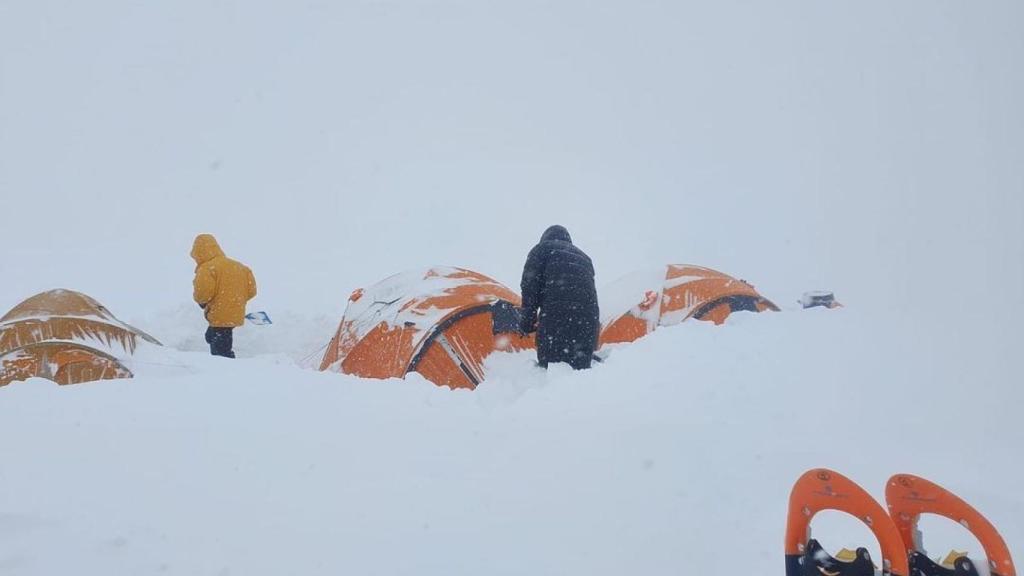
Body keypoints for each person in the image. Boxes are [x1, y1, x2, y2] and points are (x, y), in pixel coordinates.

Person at [518, 225, 600, 370]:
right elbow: (589, 296)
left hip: (556, 326)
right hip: (588, 329)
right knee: (580, 378)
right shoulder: (586, 259)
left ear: (545, 239)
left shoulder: (541, 250)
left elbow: (530, 289)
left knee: (552, 377)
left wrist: (527, 323)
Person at [190, 234, 257, 358]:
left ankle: (226, 369)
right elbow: (252, 290)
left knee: (221, 351)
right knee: (214, 336)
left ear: (199, 252)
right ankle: (225, 361)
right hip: (235, 311)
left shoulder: (207, 268)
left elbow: (202, 294)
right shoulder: (240, 266)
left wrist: (202, 302)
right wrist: (235, 300)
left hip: (219, 313)